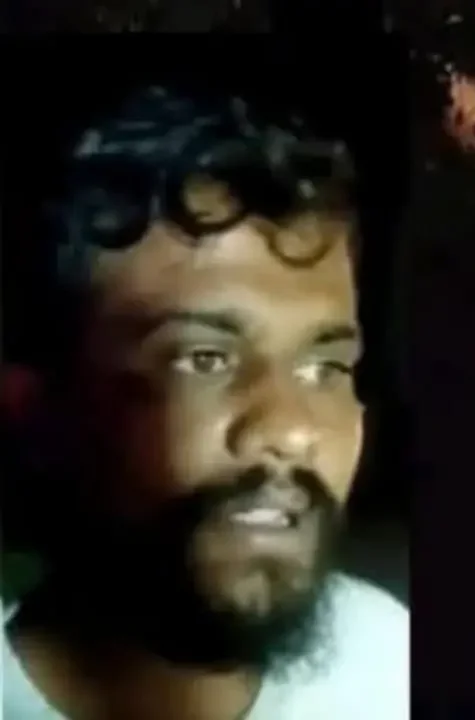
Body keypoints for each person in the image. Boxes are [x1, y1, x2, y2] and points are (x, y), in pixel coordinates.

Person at [1, 83, 409, 719]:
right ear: (37, 410)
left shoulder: (389, 660)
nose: (292, 430)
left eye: (323, 368)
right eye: (205, 360)